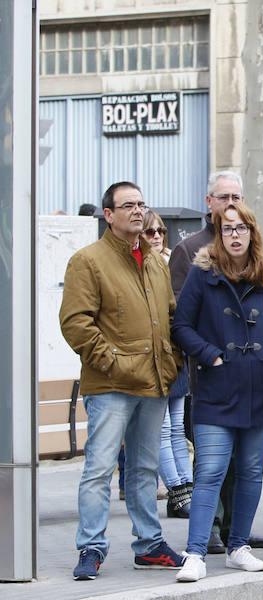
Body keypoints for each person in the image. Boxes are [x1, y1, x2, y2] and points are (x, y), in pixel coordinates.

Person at [60, 182, 183, 580]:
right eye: (127, 205)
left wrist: (173, 359)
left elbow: (169, 316)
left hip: (153, 382)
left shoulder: (155, 262)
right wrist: (112, 362)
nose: (137, 211)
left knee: (145, 470)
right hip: (111, 385)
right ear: (108, 214)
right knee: (98, 470)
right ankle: (91, 547)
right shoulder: (88, 261)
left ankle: (149, 546)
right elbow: (76, 323)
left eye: (141, 204)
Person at [172, 204, 263, 582]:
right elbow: (182, 327)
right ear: (219, 234)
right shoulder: (202, 274)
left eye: (241, 228)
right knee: (210, 471)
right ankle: (194, 554)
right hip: (216, 388)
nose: (235, 235)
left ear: (252, 233)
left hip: (260, 388)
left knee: (251, 471)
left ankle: (238, 546)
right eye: (227, 229)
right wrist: (212, 357)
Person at [168, 171, 263, 553]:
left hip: (251, 378)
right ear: (208, 201)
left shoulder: (257, 254)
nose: (230, 203)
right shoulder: (189, 250)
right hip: (210, 375)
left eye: (237, 196)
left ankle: (233, 531)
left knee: (245, 464)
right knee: (212, 462)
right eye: (223, 196)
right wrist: (209, 355)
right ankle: (208, 528)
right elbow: (182, 313)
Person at [141, 211, 193, 519]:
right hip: (153, 358)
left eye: (161, 230)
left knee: (176, 428)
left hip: (177, 356)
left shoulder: (173, 261)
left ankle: (185, 488)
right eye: (150, 232)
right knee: (161, 430)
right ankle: (176, 488)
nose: (157, 236)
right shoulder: (142, 265)